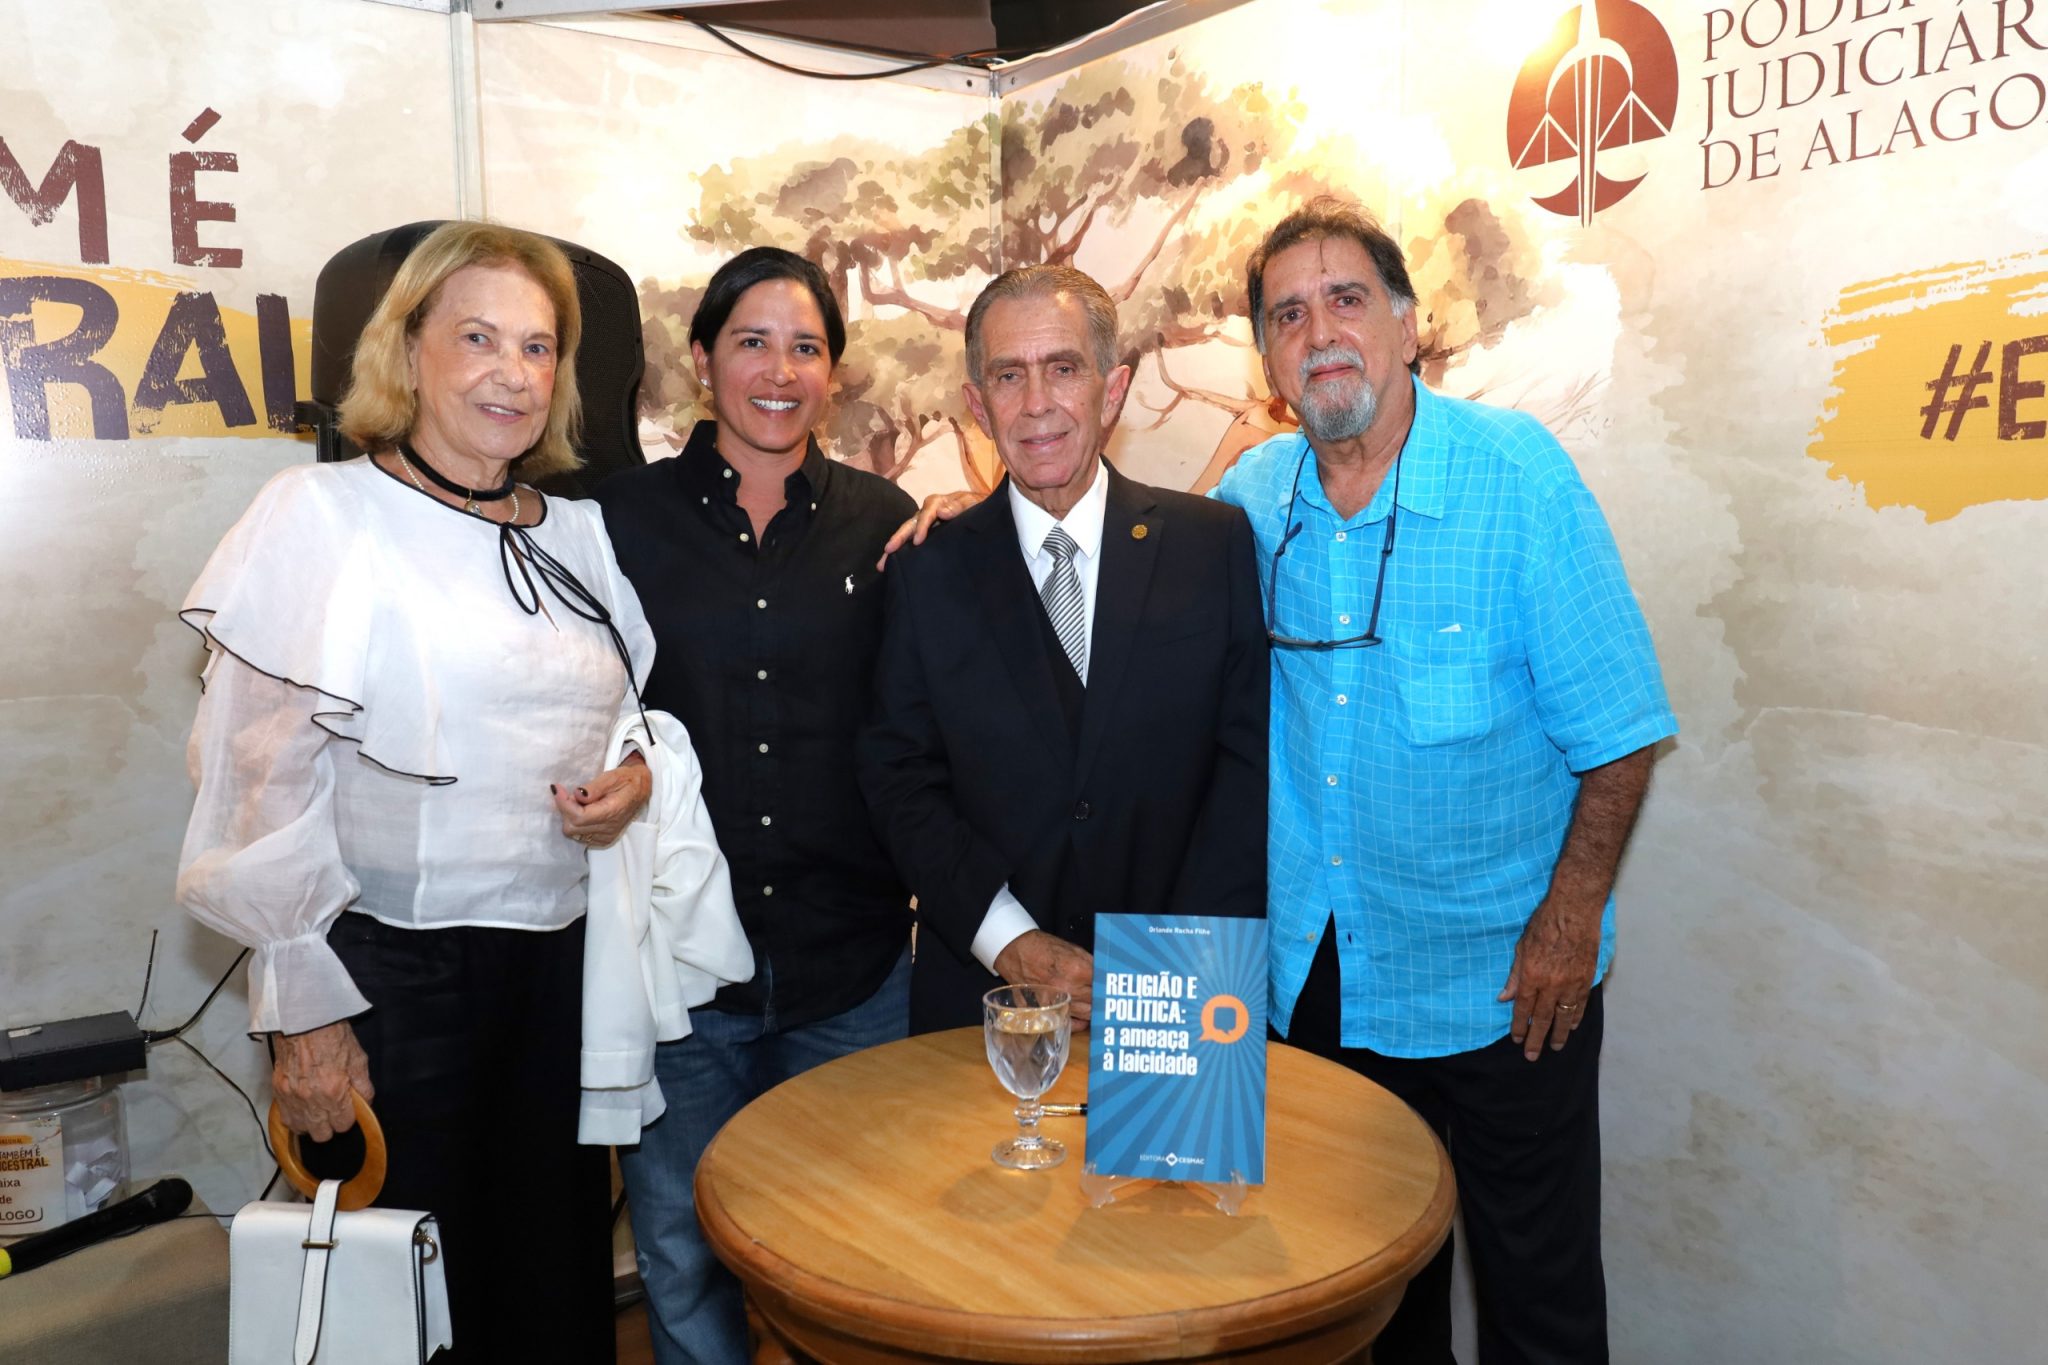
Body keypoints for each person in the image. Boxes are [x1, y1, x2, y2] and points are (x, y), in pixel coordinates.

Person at [176, 221, 653, 1361]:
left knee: (549, 1279)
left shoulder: (580, 534)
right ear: (409, 350)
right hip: (390, 978)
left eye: (536, 347)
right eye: (478, 337)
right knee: (407, 1303)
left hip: (559, 973)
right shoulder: (322, 516)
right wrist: (306, 1015)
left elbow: (632, 710)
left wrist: (634, 778)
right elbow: (256, 777)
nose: (511, 372)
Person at [1214, 197, 1678, 1364]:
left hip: (1503, 985)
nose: (1318, 331)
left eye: (1345, 299)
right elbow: (1125, 565)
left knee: (1538, 1305)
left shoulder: (1515, 478)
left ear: (1408, 324)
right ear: (1267, 361)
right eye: (1286, 315)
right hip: (1322, 985)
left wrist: (1568, 923)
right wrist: (984, 513)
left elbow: (1620, 732)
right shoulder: (1252, 500)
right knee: (1369, 1306)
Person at [592, 246, 916, 1365]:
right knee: (683, 1254)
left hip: (852, 972)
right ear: (701, 360)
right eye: (752, 343)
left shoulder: (885, 520)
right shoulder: (613, 521)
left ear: (834, 371)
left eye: (805, 348)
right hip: (684, 982)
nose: (779, 371)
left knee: (858, 1255)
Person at [857, 263, 1268, 1034]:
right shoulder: (926, 571)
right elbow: (900, 778)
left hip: (1182, 999)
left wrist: (1166, 972)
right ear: (978, 405)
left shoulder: (1212, 547)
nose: (1037, 402)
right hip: (981, 1004)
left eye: (1064, 368)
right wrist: (1008, 940)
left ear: (1112, 391)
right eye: (1009, 375)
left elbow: (1244, 773)